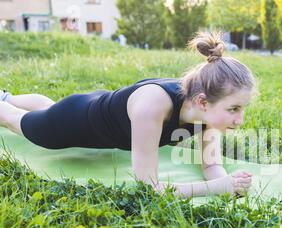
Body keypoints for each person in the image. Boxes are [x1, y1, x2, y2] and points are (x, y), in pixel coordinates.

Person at [0, 31, 257, 198]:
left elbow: (211, 165)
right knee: (15, 121)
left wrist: (229, 184)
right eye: (233, 109)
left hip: (96, 105)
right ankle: (5, 104)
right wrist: (214, 188)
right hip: (72, 123)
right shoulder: (153, 106)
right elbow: (148, 186)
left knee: (48, 107)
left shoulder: (207, 112)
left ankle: (7, 97)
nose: (240, 119)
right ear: (202, 102)